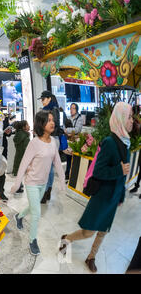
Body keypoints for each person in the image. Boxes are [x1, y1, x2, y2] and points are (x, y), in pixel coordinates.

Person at [59, 102, 133, 273]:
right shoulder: (109, 142)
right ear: (120, 118)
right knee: (88, 231)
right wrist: (118, 170)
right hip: (102, 195)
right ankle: (66, 239)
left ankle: (91, 257)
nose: (132, 121)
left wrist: (120, 196)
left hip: (114, 196)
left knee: (103, 231)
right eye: (129, 117)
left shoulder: (126, 142)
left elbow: (123, 176)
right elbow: (99, 170)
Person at [11, 110, 66, 255]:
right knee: (37, 213)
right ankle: (32, 240)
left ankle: (18, 216)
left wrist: (62, 182)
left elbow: (58, 163)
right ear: (41, 123)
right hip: (31, 183)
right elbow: (23, 164)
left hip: (43, 183)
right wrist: (17, 184)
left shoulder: (53, 142)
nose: (52, 122)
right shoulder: (34, 143)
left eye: (52, 119)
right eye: (48, 120)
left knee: (32, 207)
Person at [39, 90, 64, 203]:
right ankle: (47, 191)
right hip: (48, 139)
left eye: (43, 99)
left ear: (49, 98)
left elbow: (53, 126)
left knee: (48, 167)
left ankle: (46, 191)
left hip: (52, 139)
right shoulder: (49, 110)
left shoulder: (53, 110)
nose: (42, 102)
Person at [64, 103, 84, 180]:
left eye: (73, 108)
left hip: (75, 141)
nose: (71, 110)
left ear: (76, 110)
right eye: (71, 108)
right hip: (68, 141)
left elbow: (77, 130)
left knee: (74, 158)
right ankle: (67, 173)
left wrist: (67, 130)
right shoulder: (68, 118)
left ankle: (73, 175)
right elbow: (63, 127)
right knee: (68, 157)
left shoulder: (79, 118)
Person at [12, 120, 31, 194]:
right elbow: (26, 148)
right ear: (24, 127)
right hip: (23, 156)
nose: (29, 126)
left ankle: (19, 185)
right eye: (27, 125)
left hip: (18, 155)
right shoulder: (25, 136)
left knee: (18, 171)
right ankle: (18, 187)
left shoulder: (18, 134)